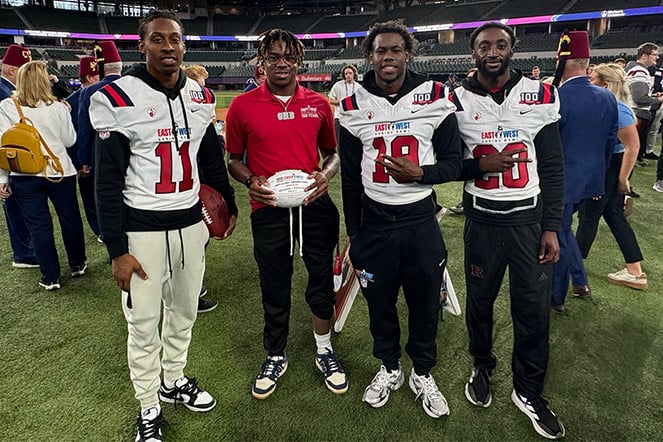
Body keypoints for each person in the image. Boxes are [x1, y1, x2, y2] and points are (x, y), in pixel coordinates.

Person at [88, 10, 238, 441]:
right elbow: (107, 181)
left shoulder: (198, 95)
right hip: (143, 231)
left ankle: (173, 381)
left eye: (175, 39)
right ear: (143, 44)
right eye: (158, 39)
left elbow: (209, 156)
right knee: (144, 322)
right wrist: (117, 249)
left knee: (185, 312)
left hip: (191, 225)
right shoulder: (118, 97)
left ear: (183, 45)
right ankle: (149, 405)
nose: (167, 47)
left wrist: (225, 204)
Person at [339, 19, 462, 419]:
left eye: (395, 50)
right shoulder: (352, 104)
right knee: (380, 305)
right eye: (380, 51)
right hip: (375, 226)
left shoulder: (436, 95)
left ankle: (422, 372)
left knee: (426, 304)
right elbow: (351, 177)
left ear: (407, 53)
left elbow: (454, 163)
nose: (387, 57)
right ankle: (389, 367)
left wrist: (421, 174)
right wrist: (355, 233)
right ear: (369, 56)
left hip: (419, 222)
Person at [449, 22, 565, 439]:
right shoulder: (456, 100)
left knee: (532, 311)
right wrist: (476, 166)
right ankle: (482, 363)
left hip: (528, 222)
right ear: (472, 52)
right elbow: (448, 165)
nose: (492, 51)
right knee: (480, 302)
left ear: (513, 48)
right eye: (484, 45)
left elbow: (552, 165)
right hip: (482, 220)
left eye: (500, 44)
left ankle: (529, 390)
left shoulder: (540, 95)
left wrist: (552, 226)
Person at [225, 28, 347, 401]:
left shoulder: (319, 104)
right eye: (273, 57)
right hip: (269, 207)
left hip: (313, 204)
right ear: (261, 62)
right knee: (274, 283)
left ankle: (324, 347)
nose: (281, 64)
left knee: (321, 277)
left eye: (288, 57)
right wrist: (250, 181)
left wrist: (325, 176)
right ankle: (275, 354)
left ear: (300, 62)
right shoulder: (242, 106)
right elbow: (232, 159)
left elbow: (333, 154)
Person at [0, 61, 87, 290]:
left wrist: (2, 179)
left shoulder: (7, 107)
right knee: (70, 220)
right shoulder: (58, 108)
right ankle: (77, 264)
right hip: (60, 172)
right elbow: (70, 140)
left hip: (24, 174)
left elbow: (3, 146)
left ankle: (50, 277)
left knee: (39, 226)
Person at [551, 30, 618, 313]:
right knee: (565, 232)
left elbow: (550, 147)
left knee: (558, 235)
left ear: (561, 60)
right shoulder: (607, 97)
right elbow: (609, 142)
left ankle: (556, 297)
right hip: (592, 179)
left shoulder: (556, 96)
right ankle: (580, 282)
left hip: (563, 181)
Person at [576, 63, 647, 290]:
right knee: (613, 215)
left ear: (605, 85)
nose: (589, 82)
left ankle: (573, 265)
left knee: (589, 214)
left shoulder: (617, 109)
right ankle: (635, 270)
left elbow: (632, 147)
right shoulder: (614, 106)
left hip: (612, 167)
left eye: (593, 78)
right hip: (611, 165)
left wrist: (623, 179)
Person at [183, 63, 225, 313]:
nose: (204, 88)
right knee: (197, 240)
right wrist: (218, 138)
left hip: (176, 188)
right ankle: (191, 293)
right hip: (192, 186)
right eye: (201, 83)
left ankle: (190, 288)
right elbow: (211, 155)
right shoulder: (196, 112)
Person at [0, 44, 38, 269]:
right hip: (10, 158)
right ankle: (23, 253)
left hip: (13, 157)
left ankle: (25, 249)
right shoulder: (4, 93)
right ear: (13, 70)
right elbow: (5, 138)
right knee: (14, 204)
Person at [65, 56, 101, 243]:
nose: (99, 78)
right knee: (89, 197)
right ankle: (98, 230)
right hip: (85, 158)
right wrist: (79, 162)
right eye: (96, 75)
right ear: (87, 77)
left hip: (103, 156)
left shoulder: (105, 93)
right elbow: (71, 136)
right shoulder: (71, 102)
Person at [625, 43, 663, 165]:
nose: (657, 57)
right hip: (637, 114)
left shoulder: (635, 69)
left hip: (633, 113)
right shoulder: (639, 71)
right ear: (644, 56)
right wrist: (658, 100)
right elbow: (640, 98)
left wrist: (651, 96)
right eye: (654, 54)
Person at [327, 64, 362, 142]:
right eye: (346, 74)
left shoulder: (359, 88)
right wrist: (342, 103)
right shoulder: (338, 85)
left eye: (350, 73)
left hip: (354, 118)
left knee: (353, 142)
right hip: (339, 118)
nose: (348, 75)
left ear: (354, 74)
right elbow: (330, 100)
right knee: (339, 141)